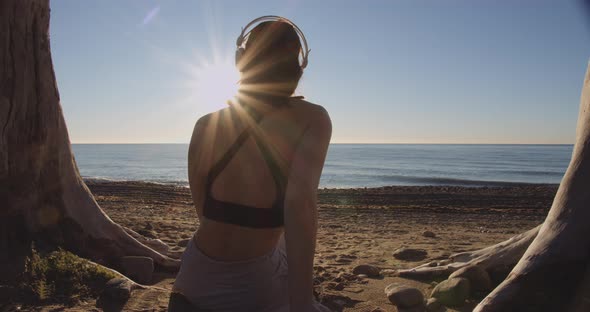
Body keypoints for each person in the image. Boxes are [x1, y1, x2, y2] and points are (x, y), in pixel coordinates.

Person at [169, 16, 332, 312]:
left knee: (279, 245)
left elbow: (203, 209)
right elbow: (300, 209)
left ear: (240, 60)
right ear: (299, 67)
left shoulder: (206, 124)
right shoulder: (313, 119)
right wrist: (303, 304)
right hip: (254, 291)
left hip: (192, 286)